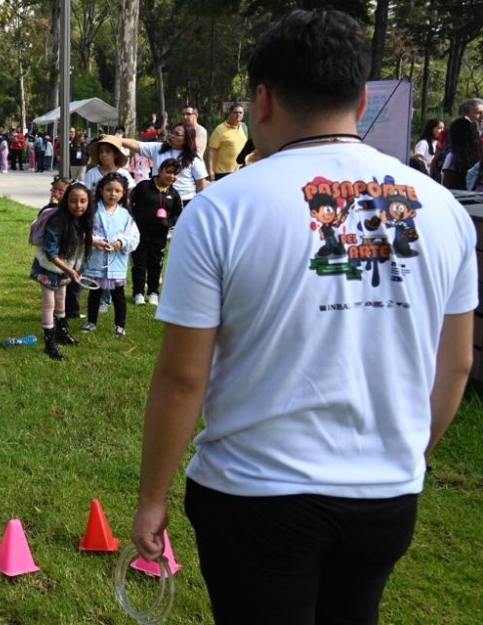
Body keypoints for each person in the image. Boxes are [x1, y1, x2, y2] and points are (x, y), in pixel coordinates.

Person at [130, 10, 476, 625]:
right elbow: (456, 363)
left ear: (262, 99)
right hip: (385, 496)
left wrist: (151, 497)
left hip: (257, 493)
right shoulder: (443, 209)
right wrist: (407, 456)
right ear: (362, 97)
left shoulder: (221, 210)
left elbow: (184, 378)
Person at [29, 179, 90, 359]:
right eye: (73, 201)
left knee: (61, 298)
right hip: (49, 267)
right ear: (66, 201)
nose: (78, 205)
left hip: (65, 267)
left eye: (82, 201)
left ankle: (62, 333)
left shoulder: (82, 220)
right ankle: (50, 343)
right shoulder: (57, 221)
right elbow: (50, 252)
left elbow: (82, 237)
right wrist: (70, 271)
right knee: (49, 303)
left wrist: (97, 242)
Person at [80, 172, 138, 337]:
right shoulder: (92, 211)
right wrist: (95, 241)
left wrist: (121, 243)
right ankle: (91, 321)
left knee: (118, 295)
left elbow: (133, 235)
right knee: (94, 293)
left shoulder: (125, 215)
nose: (112, 194)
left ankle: (120, 325)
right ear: (101, 190)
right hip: (96, 260)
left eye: (117, 191)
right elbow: (83, 231)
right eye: (108, 190)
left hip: (116, 262)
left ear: (123, 193)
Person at [128, 159, 183, 306]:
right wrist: (132, 220)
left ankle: (153, 292)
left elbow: (179, 214)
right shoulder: (144, 186)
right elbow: (128, 202)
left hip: (159, 236)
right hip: (139, 233)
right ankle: (138, 292)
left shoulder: (174, 194)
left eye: (175, 174)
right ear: (160, 170)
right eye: (169, 172)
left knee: (156, 264)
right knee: (139, 263)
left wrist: (168, 223)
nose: (172, 176)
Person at [114, 124, 209, 206]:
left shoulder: (194, 157)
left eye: (177, 134)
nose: (172, 135)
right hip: (158, 200)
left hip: (185, 201)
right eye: (172, 132)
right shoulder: (158, 148)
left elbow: (201, 184)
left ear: (186, 139)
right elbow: (137, 144)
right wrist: (115, 140)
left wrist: (199, 205)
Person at [207, 103, 247, 181]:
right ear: (230, 113)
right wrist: (211, 170)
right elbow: (212, 150)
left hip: (240, 171)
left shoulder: (243, 128)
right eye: (235, 112)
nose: (238, 114)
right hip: (224, 174)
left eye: (240, 113)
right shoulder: (219, 130)